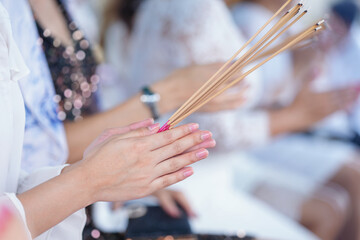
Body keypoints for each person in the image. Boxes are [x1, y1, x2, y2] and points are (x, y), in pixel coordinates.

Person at [100, 0, 320, 239]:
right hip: (190, 186)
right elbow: (216, 133)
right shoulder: (196, 8)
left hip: (213, 173)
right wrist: (296, 116)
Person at [0, 2, 215, 239]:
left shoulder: (69, 7)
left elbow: (13, 173)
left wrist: (123, 173)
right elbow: (34, 149)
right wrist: (92, 179)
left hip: (74, 210)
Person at [229, 1, 360, 239]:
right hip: (265, 140)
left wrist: (311, 62)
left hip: (286, 131)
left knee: (350, 180)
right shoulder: (251, 21)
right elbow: (252, 104)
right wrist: (301, 75)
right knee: (352, 179)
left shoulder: (284, 23)